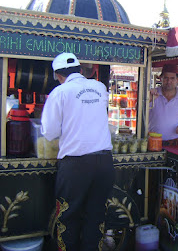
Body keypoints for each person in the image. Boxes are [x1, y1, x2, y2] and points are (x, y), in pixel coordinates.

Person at [41, 53, 114, 251]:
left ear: (57, 75)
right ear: (81, 71)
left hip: (76, 166)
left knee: (68, 217)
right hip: (105, 163)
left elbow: (50, 132)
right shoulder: (99, 87)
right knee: (96, 216)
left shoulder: (60, 92)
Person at [149, 64, 178, 146]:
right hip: (153, 142)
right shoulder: (152, 94)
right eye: (166, 78)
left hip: (177, 143)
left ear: (177, 80)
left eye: (172, 78)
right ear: (161, 78)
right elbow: (138, 110)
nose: (169, 81)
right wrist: (149, 99)